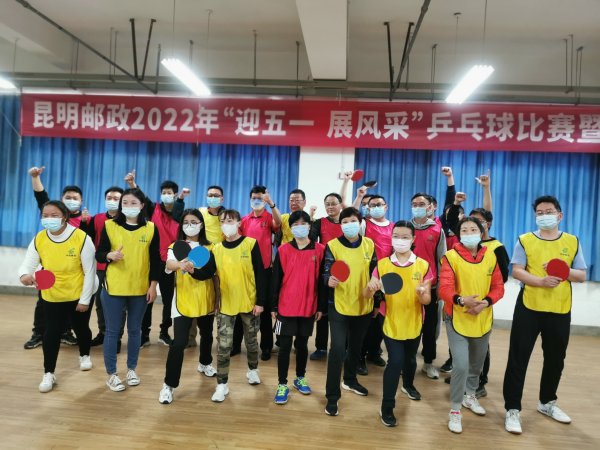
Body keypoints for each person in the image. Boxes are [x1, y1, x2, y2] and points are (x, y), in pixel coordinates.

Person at [503, 196, 586, 435]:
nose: (544, 216)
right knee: (518, 358)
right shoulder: (525, 240)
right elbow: (517, 271)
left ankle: (547, 402)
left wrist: (563, 269)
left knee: (555, 359)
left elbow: (581, 275)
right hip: (529, 307)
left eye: (548, 211)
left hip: (560, 309)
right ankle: (512, 409)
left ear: (560, 215)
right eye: (539, 213)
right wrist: (540, 281)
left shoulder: (572, 241)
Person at [18, 200, 97, 392]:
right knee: (51, 332)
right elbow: (28, 263)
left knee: (81, 327)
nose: (49, 219)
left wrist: (84, 300)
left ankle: (84, 354)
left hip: (79, 291)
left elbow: (90, 271)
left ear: (65, 217)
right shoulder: (39, 238)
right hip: (52, 293)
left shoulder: (82, 238)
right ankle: (48, 373)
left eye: (54, 215)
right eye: (45, 215)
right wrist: (24, 275)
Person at [439, 216, 505, 434]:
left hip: (482, 316)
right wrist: (461, 300)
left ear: (482, 232)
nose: (469, 233)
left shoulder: (491, 256)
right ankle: (455, 409)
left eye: (473, 229)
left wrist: (485, 303)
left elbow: (498, 287)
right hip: (457, 316)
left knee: (477, 364)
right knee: (460, 365)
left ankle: (470, 395)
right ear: (459, 234)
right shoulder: (450, 257)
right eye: (464, 230)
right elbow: (444, 288)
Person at [96, 188, 161, 392]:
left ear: (142, 205)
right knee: (112, 331)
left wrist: (153, 286)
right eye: (125, 202)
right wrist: (109, 256)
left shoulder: (151, 228)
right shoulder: (109, 226)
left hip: (140, 289)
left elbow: (156, 260)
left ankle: (132, 369)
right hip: (114, 288)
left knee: (135, 331)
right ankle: (112, 374)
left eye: (133, 203)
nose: (129, 206)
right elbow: (99, 253)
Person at [322, 207, 381, 417]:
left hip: (363, 304)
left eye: (352, 220)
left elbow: (375, 273)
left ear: (360, 222)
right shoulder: (332, 245)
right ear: (341, 224)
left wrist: (377, 303)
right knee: (337, 349)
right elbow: (326, 271)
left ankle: (350, 380)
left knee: (356, 347)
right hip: (339, 305)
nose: (349, 224)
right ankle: (332, 397)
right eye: (345, 221)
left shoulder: (369, 244)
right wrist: (328, 280)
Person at [373, 220, 432, 426]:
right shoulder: (382, 264)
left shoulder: (423, 265)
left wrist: (423, 295)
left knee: (410, 359)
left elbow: (427, 300)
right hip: (391, 321)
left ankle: (408, 384)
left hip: (414, 321)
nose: (400, 240)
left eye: (405, 237)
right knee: (395, 361)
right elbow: (369, 291)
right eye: (396, 236)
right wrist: (370, 288)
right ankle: (387, 407)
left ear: (413, 239)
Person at [159, 209, 218, 404]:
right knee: (179, 343)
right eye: (186, 222)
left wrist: (217, 299)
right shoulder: (175, 246)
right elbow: (169, 264)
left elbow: (211, 273)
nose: (190, 225)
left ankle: (205, 363)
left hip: (205, 297)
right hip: (182, 301)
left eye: (194, 221)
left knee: (207, 334)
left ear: (201, 224)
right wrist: (180, 265)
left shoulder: (210, 247)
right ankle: (168, 385)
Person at [125, 170, 186, 346]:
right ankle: (144, 334)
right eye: (163, 192)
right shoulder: (154, 209)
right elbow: (141, 197)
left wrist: (181, 200)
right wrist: (132, 184)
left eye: (169, 192)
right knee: (148, 298)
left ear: (175, 195)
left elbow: (179, 217)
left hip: (170, 263)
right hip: (152, 261)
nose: (166, 195)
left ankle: (164, 332)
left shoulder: (180, 214)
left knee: (168, 300)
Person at [211, 209, 266, 402]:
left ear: (239, 223)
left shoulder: (250, 244)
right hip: (226, 305)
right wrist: (190, 268)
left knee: (251, 341)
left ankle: (253, 369)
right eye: (223, 221)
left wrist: (260, 302)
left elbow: (260, 273)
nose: (226, 224)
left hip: (248, 303)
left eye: (230, 220)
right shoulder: (216, 248)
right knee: (224, 346)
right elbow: (207, 273)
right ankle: (222, 384)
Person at [24, 166, 82, 349]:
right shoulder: (53, 215)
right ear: (61, 200)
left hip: (73, 272)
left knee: (70, 304)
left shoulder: (85, 221)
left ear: (81, 201)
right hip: (48, 269)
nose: (71, 200)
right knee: (43, 303)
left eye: (75, 198)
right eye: (68, 197)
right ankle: (38, 333)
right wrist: (35, 177)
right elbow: (41, 196)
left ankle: (66, 332)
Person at [271, 211, 325, 404]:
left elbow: (322, 282)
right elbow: (275, 280)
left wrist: (320, 307)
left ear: (310, 226)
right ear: (290, 228)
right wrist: (273, 306)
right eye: (295, 224)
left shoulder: (320, 250)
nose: (299, 227)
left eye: (303, 223)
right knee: (284, 347)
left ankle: (300, 377)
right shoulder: (283, 249)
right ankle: (282, 383)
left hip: (308, 307)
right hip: (285, 308)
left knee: (302, 346)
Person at [239, 185, 282, 361]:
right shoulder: (244, 220)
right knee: (242, 308)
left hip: (265, 270)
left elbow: (278, 223)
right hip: (245, 269)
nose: (256, 201)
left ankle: (266, 347)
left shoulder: (269, 217)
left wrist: (271, 203)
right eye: (254, 198)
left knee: (264, 311)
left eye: (260, 198)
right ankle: (236, 345)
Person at [84, 186, 126, 352]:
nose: (112, 201)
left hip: (120, 267)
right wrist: (84, 223)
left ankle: (116, 337)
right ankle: (103, 333)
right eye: (109, 198)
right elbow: (87, 240)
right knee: (100, 303)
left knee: (118, 305)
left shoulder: (127, 220)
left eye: (116, 198)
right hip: (100, 266)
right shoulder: (97, 218)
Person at [410, 192, 447, 380]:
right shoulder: (405, 228)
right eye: (415, 204)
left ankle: (428, 362)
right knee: (409, 325)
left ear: (430, 207)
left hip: (429, 287)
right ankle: (407, 360)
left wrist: (440, 285)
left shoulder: (437, 230)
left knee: (429, 328)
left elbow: (442, 259)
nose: (418, 207)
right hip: (408, 286)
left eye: (421, 204)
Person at [357, 194, 395, 375]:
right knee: (366, 318)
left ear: (386, 206)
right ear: (368, 208)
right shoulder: (364, 224)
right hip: (368, 277)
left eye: (380, 204)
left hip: (387, 277)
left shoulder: (393, 227)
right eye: (372, 205)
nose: (376, 207)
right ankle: (359, 356)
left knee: (381, 318)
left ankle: (374, 351)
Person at [308, 193, 345, 361]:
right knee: (322, 310)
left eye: (333, 203)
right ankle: (321, 347)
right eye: (327, 204)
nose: (330, 207)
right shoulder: (319, 222)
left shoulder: (348, 223)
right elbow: (310, 239)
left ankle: (341, 348)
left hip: (345, 270)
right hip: (325, 270)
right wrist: (310, 218)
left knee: (342, 310)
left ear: (341, 204)